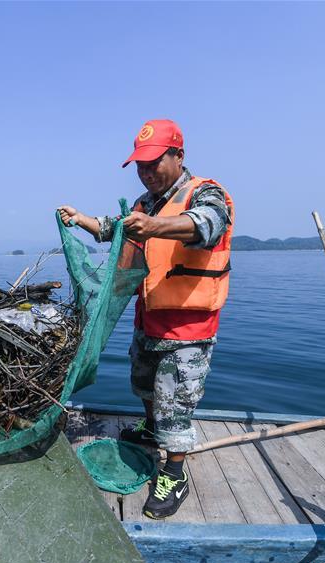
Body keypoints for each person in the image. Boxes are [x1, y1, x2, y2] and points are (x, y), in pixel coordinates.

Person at [58, 119, 233, 519]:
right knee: (145, 386)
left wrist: (155, 226)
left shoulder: (206, 193)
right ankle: (151, 431)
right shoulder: (144, 204)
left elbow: (207, 225)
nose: (147, 172)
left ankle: (174, 473)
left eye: (155, 163)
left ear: (179, 156)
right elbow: (117, 230)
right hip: (148, 319)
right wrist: (82, 219)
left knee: (175, 403)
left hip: (188, 329)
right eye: (140, 165)